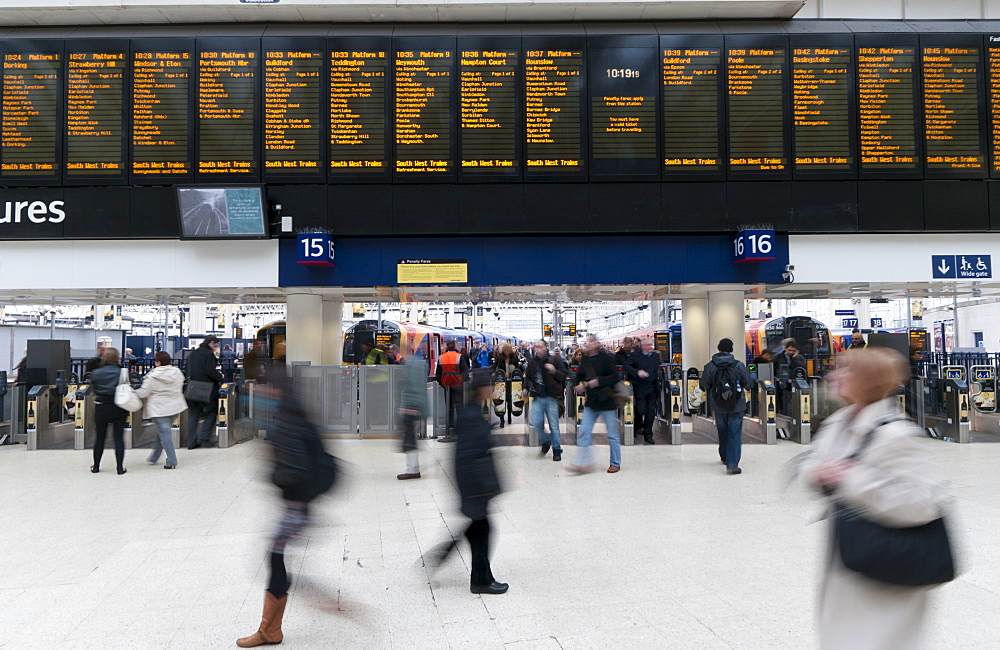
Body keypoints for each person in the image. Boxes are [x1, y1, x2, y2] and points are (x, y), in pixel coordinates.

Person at [797, 347, 947, 649]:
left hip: (886, 571)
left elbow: (922, 503)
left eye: (845, 370)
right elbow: (813, 465)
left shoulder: (898, 435)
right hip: (850, 557)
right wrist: (819, 474)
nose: (832, 375)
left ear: (868, 380)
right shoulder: (839, 423)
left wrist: (850, 478)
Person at [237, 377, 337, 647]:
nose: (264, 390)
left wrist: (275, 475)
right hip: (298, 504)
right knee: (276, 557)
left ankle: (270, 629)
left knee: (276, 557)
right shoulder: (297, 416)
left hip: (296, 505)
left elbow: (291, 470)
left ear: (278, 389)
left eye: (268, 386)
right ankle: (271, 628)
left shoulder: (287, 422)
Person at [427, 368, 507, 595]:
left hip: (474, 484)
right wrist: (474, 491)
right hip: (474, 485)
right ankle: (480, 581)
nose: (492, 389)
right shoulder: (471, 415)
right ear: (480, 389)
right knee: (481, 530)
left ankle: (448, 561)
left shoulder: (472, 411)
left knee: (475, 529)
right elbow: (467, 456)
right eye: (489, 385)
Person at [700, 338, 751, 475]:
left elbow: (704, 384)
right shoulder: (739, 365)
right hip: (736, 404)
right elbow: (748, 383)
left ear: (719, 349)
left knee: (722, 431)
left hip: (718, 404)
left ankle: (724, 456)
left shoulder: (710, 366)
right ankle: (732, 464)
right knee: (734, 433)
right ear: (731, 349)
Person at [572, 334, 622, 474]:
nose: (587, 345)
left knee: (612, 435)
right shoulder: (585, 360)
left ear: (596, 343)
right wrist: (576, 385)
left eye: (589, 342)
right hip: (592, 402)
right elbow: (579, 376)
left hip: (607, 401)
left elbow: (615, 377)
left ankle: (615, 463)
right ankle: (583, 462)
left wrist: (598, 381)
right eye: (586, 342)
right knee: (584, 431)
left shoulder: (607, 358)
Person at [135, 351, 186, 469]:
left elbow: (143, 393)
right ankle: (154, 456)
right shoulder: (177, 373)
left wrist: (132, 392)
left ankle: (172, 460)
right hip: (175, 407)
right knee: (162, 432)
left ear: (158, 362)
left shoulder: (152, 376)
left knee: (164, 433)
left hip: (159, 409)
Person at [523, 340, 568, 461]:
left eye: (539, 347)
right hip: (538, 396)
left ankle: (557, 450)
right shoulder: (532, 363)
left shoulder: (555, 360)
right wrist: (525, 388)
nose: (536, 349)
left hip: (552, 397)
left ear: (545, 347)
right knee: (535, 422)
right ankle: (546, 441)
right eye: (535, 347)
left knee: (554, 426)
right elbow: (527, 377)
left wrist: (554, 371)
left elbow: (564, 375)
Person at [89, 347, 129, 475]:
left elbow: (93, 388)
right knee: (118, 437)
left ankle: (96, 466)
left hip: (101, 406)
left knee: (100, 438)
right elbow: (128, 387)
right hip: (119, 406)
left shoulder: (96, 373)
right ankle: (119, 468)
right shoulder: (123, 372)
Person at [186, 335, 224, 449]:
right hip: (207, 388)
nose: (215, 347)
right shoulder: (208, 354)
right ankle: (204, 436)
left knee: (194, 414)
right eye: (215, 344)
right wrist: (220, 376)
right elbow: (210, 371)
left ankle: (191, 442)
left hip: (193, 387)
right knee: (212, 412)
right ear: (211, 342)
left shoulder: (193, 353)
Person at [397, 354, 428, 480]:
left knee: (409, 439)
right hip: (411, 407)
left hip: (411, 408)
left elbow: (413, 390)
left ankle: (412, 469)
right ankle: (413, 468)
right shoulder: (413, 365)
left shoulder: (412, 366)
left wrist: (410, 407)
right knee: (409, 438)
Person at [626, 337, 661, 445]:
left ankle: (648, 435)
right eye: (648, 345)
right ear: (643, 346)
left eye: (651, 345)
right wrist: (637, 372)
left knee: (651, 412)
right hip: (640, 387)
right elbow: (626, 366)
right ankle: (636, 427)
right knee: (640, 409)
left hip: (652, 388)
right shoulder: (635, 356)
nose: (650, 347)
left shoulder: (655, 356)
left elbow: (657, 370)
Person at [435, 340, 469, 443]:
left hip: (446, 385)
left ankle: (449, 429)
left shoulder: (441, 357)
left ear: (446, 346)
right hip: (457, 385)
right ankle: (460, 430)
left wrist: (441, 383)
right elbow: (465, 370)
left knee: (448, 408)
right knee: (459, 407)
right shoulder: (459, 356)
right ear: (454, 346)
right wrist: (463, 381)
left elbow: (438, 373)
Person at [492, 344, 524, 428]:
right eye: (505, 350)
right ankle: (502, 420)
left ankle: (509, 418)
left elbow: (517, 370)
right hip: (501, 382)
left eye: (508, 350)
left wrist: (510, 374)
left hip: (511, 382)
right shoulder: (499, 358)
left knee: (509, 400)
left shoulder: (514, 358)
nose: (506, 352)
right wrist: (495, 373)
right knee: (501, 401)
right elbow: (494, 367)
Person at [774, 338, 807, 413]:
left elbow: (802, 368)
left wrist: (795, 358)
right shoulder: (778, 357)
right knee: (783, 401)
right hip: (781, 384)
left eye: (793, 351)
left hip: (794, 383)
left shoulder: (799, 358)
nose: (791, 352)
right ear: (785, 348)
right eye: (790, 350)